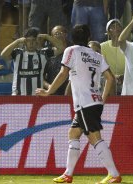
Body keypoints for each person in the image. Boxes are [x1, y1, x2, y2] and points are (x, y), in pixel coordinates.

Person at [35, 24, 122, 184]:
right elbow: (110, 78)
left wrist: (49, 92)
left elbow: (63, 73)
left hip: (84, 102)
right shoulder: (97, 55)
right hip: (93, 101)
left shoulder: (71, 51)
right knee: (73, 133)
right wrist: (102, 98)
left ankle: (114, 174)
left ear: (71, 39)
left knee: (94, 137)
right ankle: (68, 174)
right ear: (88, 38)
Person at [0, 27, 64, 95]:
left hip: (37, 96)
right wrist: (17, 41)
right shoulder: (17, 53)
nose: (31, 43)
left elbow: (61, 48)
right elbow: (3, 54)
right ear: (24, 41)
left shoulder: (43, 53)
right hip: (18, 95)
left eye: (33, 40)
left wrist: (46, 36)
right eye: (28, 40)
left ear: (37, 40)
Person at [43, 25, 71, 95]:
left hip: (69, 92)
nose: (58, 35)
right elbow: (41, 77)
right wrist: (50, 87)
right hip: (52, 93)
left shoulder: (72, 51)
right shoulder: (47, 53)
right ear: (52, 37)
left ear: (66, 35)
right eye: (56, 34)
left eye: (61, 33)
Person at [101, 19, 125, 95]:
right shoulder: (102, 46)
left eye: (118, 26)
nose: (116, 28)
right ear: (108, 32)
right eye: (113, 27)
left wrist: (123, 76)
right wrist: (113, 77)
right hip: (108, 79)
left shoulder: (129, 46)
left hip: (126, 79)